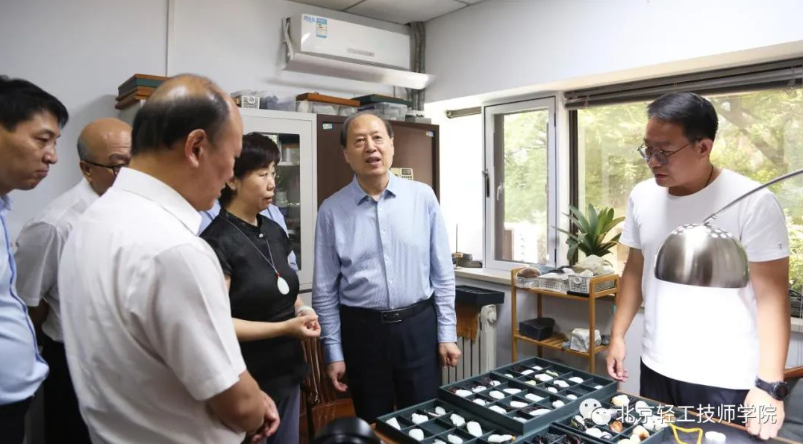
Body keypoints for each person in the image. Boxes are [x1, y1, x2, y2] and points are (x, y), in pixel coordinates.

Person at [58, 74, 279, 444]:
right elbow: (240, 406)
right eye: (233, 157)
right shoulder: (177, 251)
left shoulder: (88, 222)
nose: (230, 174)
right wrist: (256, 405)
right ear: (196, 147)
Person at [606, 92, 790, 439]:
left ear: (703, 147)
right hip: (656, 365)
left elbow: (773, 298)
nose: (653, 161)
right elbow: (634, 270)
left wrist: (769, 385)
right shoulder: (642, 196)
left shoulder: (753, 202)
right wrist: (617, 335)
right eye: (648, 149)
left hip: (726, 378)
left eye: (664, 151)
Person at [312, 111, 461, 424]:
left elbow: (443, 274)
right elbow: (324, 291)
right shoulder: (331, 211)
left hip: (418, 328)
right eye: (359, 141)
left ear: (391, 144)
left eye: (378, 138)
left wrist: (446, 333)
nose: (371, 147)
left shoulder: (423, 197)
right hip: (363, 333)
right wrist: (333, 352)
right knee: (373, 423)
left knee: (425, 421)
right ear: (346, 154)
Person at [14, 118, 131, 444]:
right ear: (86, 169)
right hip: (78, 364)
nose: (131, 175)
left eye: (136, 163)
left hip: (129, 359)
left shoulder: (134, 209)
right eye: (118, 166)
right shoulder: (55, 225)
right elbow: (27, 306)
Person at [201, 132, 319, 444]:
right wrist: (285, 328)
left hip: (287, 370)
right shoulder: (216, 241)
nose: (272, 184)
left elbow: (286, 291)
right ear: (232, 180)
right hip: (246, 378)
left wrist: (303, 310)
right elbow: (216, 323)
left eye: (274, 174)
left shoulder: (274, 230)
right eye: (262, 174)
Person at [0, 75, 68, 444]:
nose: (52, 156)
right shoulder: (56, 222)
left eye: (54, 143)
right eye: (42, 140)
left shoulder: (3, 207)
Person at [200, 198, 297, 271]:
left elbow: (291, 265)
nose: (272, 184)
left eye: (272, 177)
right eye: (262, 177)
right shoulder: (209, 213)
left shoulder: (273, 212)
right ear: (233, 181)